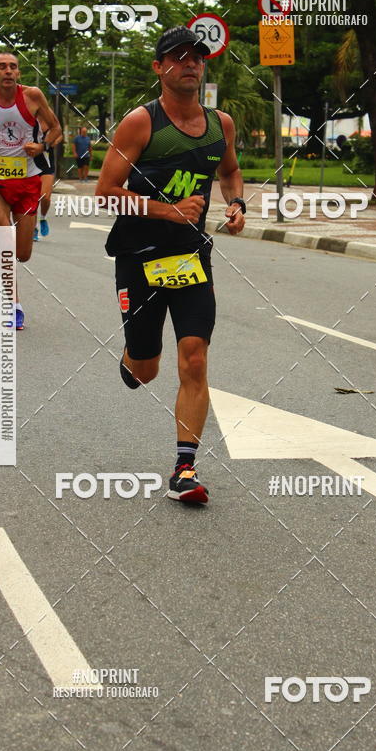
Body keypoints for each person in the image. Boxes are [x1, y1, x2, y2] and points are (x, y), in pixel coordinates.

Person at [98, 26, 246, 505]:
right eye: (178, 57)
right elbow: (105, 194)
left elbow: (228, 171)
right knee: (146, 370)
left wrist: (237, 203)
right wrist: (166, 208)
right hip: (139, 258)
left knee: (195, 356)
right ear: (159, 68)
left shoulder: (220, 123)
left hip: (189, 257)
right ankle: (131, 358)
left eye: (197, 58)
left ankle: (185, 467)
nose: (190, 64)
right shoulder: (141, 123)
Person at [0, 52, 61, 329]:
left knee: (23, 254)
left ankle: (12, 287)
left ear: (18, 73)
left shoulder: (33, 96)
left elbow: (55, 128)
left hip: (28, 179)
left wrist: (42, 147)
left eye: (13, 67)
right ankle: (13, 304)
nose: (8, 71)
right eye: (2, 67)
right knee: (4, 240)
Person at [32, 120, 63, 240]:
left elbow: (59, 133)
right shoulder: (26, 117)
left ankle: (43, 217)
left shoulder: (48, 118)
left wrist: (55, 141)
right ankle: (33, 228)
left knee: (45, 196)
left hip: (47, 164)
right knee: (33, 199)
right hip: (30, 165)